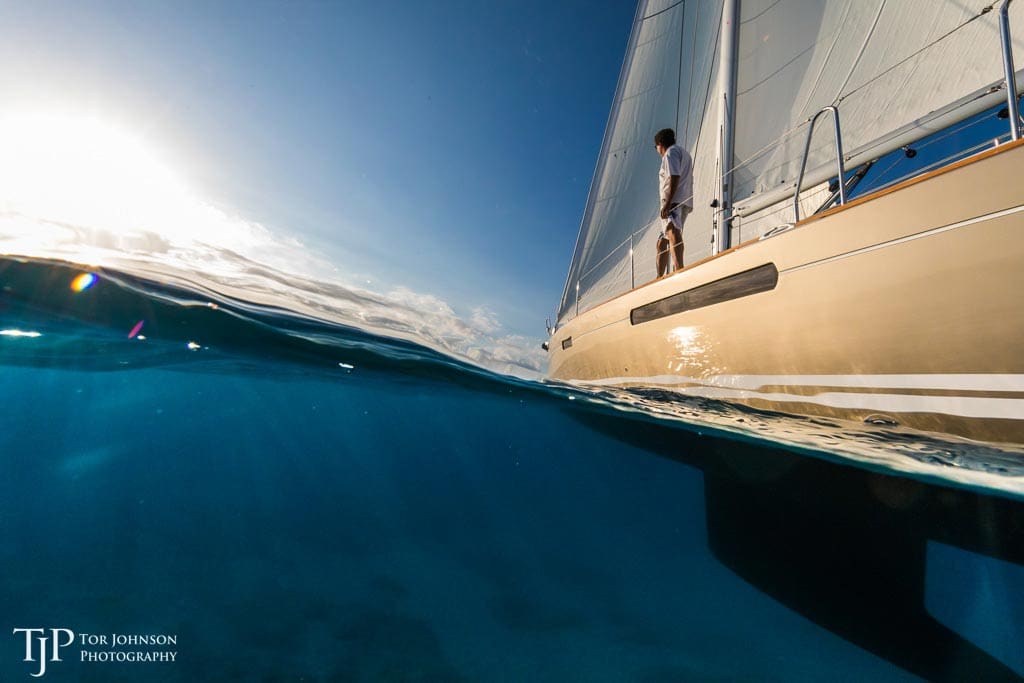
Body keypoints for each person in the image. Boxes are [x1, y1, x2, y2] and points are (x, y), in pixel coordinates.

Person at [654, 128, 692, 276]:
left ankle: (679, 270)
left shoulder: (670, 153)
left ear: (660, 144)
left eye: (656, 147)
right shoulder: (684, 153)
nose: (657, 150)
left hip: (673, 201)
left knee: (672, 230)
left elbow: (674, 176)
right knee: (662, 242)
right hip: (681, 199)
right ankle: (659, 277)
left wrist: (668, 203)